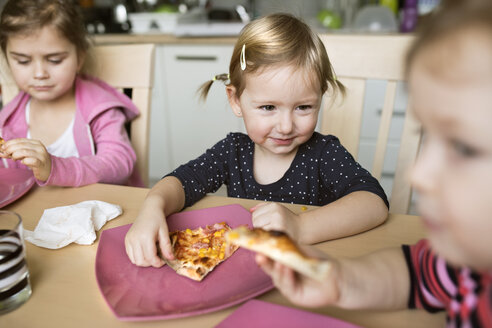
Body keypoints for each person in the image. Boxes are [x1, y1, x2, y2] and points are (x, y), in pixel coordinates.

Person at [256, 1, 492, 326]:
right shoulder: (466, 260)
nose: (419, 174)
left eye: (463, 148)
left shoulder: (323, 152)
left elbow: (371, 200)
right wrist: (342, 279)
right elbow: (417, 273)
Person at [125, 13, 389, 268]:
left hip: (305, 273)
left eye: (304, 107)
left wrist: (300, 227)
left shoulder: (323, 153)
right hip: (247, 273)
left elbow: (374, 203)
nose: (286, 127)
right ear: (235, 100)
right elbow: (182, 181)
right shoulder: (232, 151)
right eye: (268, 108)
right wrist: (152, 206)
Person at [0, 0, 143, 187]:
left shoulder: (99, 107)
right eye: (23, 61)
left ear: (80, 57)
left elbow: (119, 164)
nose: (40, 74)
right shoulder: (7, 119)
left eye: (55, 60)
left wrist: (55, 168)